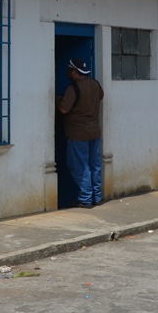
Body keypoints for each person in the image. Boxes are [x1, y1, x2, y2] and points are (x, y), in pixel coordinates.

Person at [56, 58, 104, 208]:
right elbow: (100, 96)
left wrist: (57, 100)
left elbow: (64, 109)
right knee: (95, 165)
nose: (68, 73)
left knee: (80, 167)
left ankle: (85, 199)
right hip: (94, 132)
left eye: (70, 70)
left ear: (75, 71)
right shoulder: (95, 84)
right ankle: (97, 197)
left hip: (78, 134)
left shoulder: (73, 88)